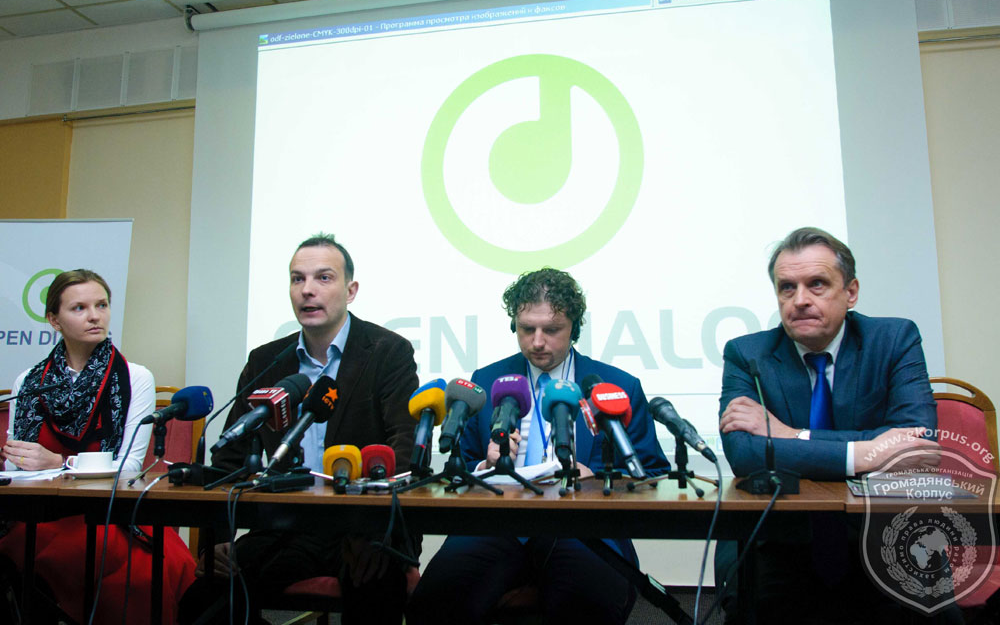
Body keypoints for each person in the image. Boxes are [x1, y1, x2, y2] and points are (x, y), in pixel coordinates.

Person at [407, 268, 670, 625]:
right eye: (527, 329)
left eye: (552, 330)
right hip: (497, 524)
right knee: (436, 599)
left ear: (574, 329)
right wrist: (485, 467)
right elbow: (461, 465)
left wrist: (598, 480)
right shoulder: (486, 380)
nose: (537, 341)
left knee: (590, 601)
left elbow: (653, 471)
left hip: (585, 527)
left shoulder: (616, 385)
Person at [181, 234, 419, 625]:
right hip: (287, 527)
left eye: (323, 278)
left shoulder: (387, 351)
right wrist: (218, 540)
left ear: (351, 291)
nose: (307, 290)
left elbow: (404, 449)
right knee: (202, 601)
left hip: (365, 526)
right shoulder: (266, 362)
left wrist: (374, 533)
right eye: (297, 279)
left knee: (375, 587)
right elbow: (229, 458)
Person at [717, 227, 946, 623]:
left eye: (817, 284)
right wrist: (865, 452)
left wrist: (791, 435)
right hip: (780, 537)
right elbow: (745, 455)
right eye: (787, 288)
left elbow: (917, 443)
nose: (800, 300)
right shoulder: (747, 353)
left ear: (851, 292)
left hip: (885, 535)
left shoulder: (894, 339)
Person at [0, 269, 196, 624]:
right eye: (79, 308)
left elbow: (129, 468)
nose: (95, 316)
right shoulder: (28, 381)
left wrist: (60, 463)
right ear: (54, 320)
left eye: (101, 305)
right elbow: (16, 470)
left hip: (112, 514)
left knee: (139, 577)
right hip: (44, 515)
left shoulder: (135, 377)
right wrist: (40, 466)